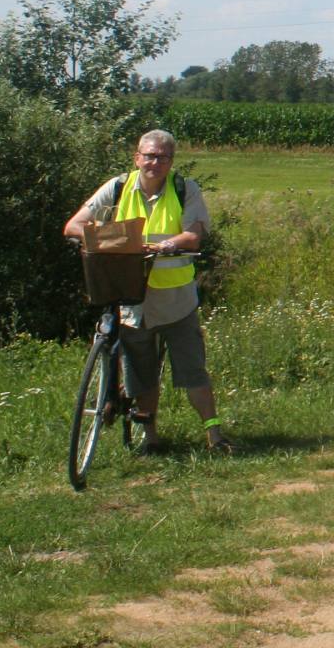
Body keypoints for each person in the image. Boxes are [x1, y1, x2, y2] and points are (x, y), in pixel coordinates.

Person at [63, 130, 233, 453]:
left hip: (176, 301)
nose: (155, 162)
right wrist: (118, 241)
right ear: (137, 157)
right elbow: (73, 226)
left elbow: (193, 235)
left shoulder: (184, 189)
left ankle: (215, 435)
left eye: (163, 157)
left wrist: (166, 245)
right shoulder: (117, 187)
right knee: (141, 374)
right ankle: (150, 438)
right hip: (132, 300)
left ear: (171, 161)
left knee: (192, 369)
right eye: (149, 156)